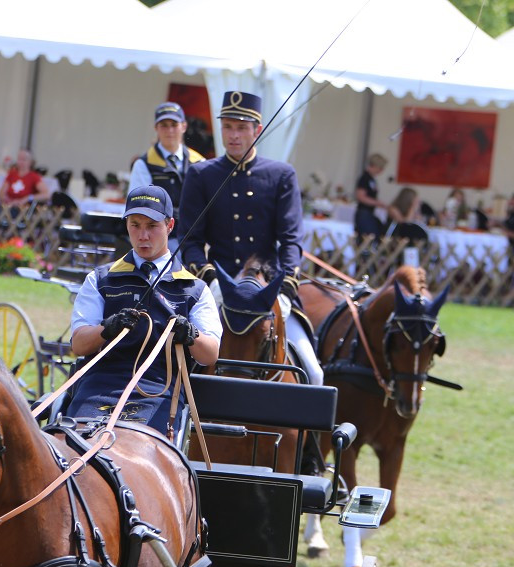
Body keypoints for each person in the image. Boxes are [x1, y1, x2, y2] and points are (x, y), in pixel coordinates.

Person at [178, 90, 323, 387]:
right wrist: (209, 277)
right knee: (177, 366)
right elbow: (189, 240)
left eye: (242, 127)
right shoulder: (201, 174)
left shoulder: (281, 175)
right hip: (217, 287)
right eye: (228, 127)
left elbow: (291, 238)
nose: (234, 135)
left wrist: (287, 280)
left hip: (267, 288)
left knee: (314, 373)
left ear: (257, 131)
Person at [68, 185, 221, 439]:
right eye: (135, 225)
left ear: (170, 226)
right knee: (73, 447)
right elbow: (80, 344)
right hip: (98, 387)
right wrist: (108, 328)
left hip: (159, 392)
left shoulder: (194, 289)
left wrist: (191, 334)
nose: (143, 235)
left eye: (152, 226)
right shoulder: (100, 279)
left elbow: (210, 354)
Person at [128, 101, 205, 249]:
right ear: (156, 128)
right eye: (164, 125)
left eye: (174, 124)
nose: (169, 130)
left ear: (184, 126)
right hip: (159, 240)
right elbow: (140, 207)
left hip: (196, 239)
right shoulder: (143, 165)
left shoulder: (200, 163)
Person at [354, 153, 387, 238]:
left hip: (369, 213)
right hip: (364, 213)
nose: (381, 171)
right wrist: (378, 203)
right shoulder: (365, 178)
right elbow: (360, 197)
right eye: (380, 168)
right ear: (374, 166)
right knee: (370, 236)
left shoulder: (372, 180)